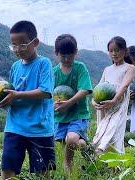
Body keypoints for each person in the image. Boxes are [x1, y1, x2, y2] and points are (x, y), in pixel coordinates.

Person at [0, 21, 55, 179]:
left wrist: (17, 95)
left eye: (22, 45)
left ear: (35, 42)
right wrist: (4, 101)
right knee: (8, 167)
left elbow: (45, 92)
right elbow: (12, 92)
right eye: (14, 45)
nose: (17, 50)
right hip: (14, 126)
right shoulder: (15, 67)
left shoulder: (44, 64)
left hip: (39, 128)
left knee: (42, 172)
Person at [53, 34, 93, 171]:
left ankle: (67, 164)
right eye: (62, 55)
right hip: (61, 118)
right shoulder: (54, 72)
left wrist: (68, 103)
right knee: (68, 143)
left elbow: (85, 90)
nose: (66, 59)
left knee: (71, 139)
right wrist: (54, 105)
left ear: (76, 52)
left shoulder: (80, 67)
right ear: (56, 53)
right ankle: (86, 147)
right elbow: (49, 95)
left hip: (78, 115)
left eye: (70, 55)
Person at [92, 36, 135, 154]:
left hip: (118, 105)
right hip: (104, 106)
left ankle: (103, 153)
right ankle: (102, 160)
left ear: (125, 51)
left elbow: (124, 86)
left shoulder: (130, 67)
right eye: (111, 51)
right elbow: (98, 87)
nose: (114, 53)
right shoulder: (107, 69)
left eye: (117, 50)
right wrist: (93, 102)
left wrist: (114, 100)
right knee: (103, 129)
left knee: (114, 132)